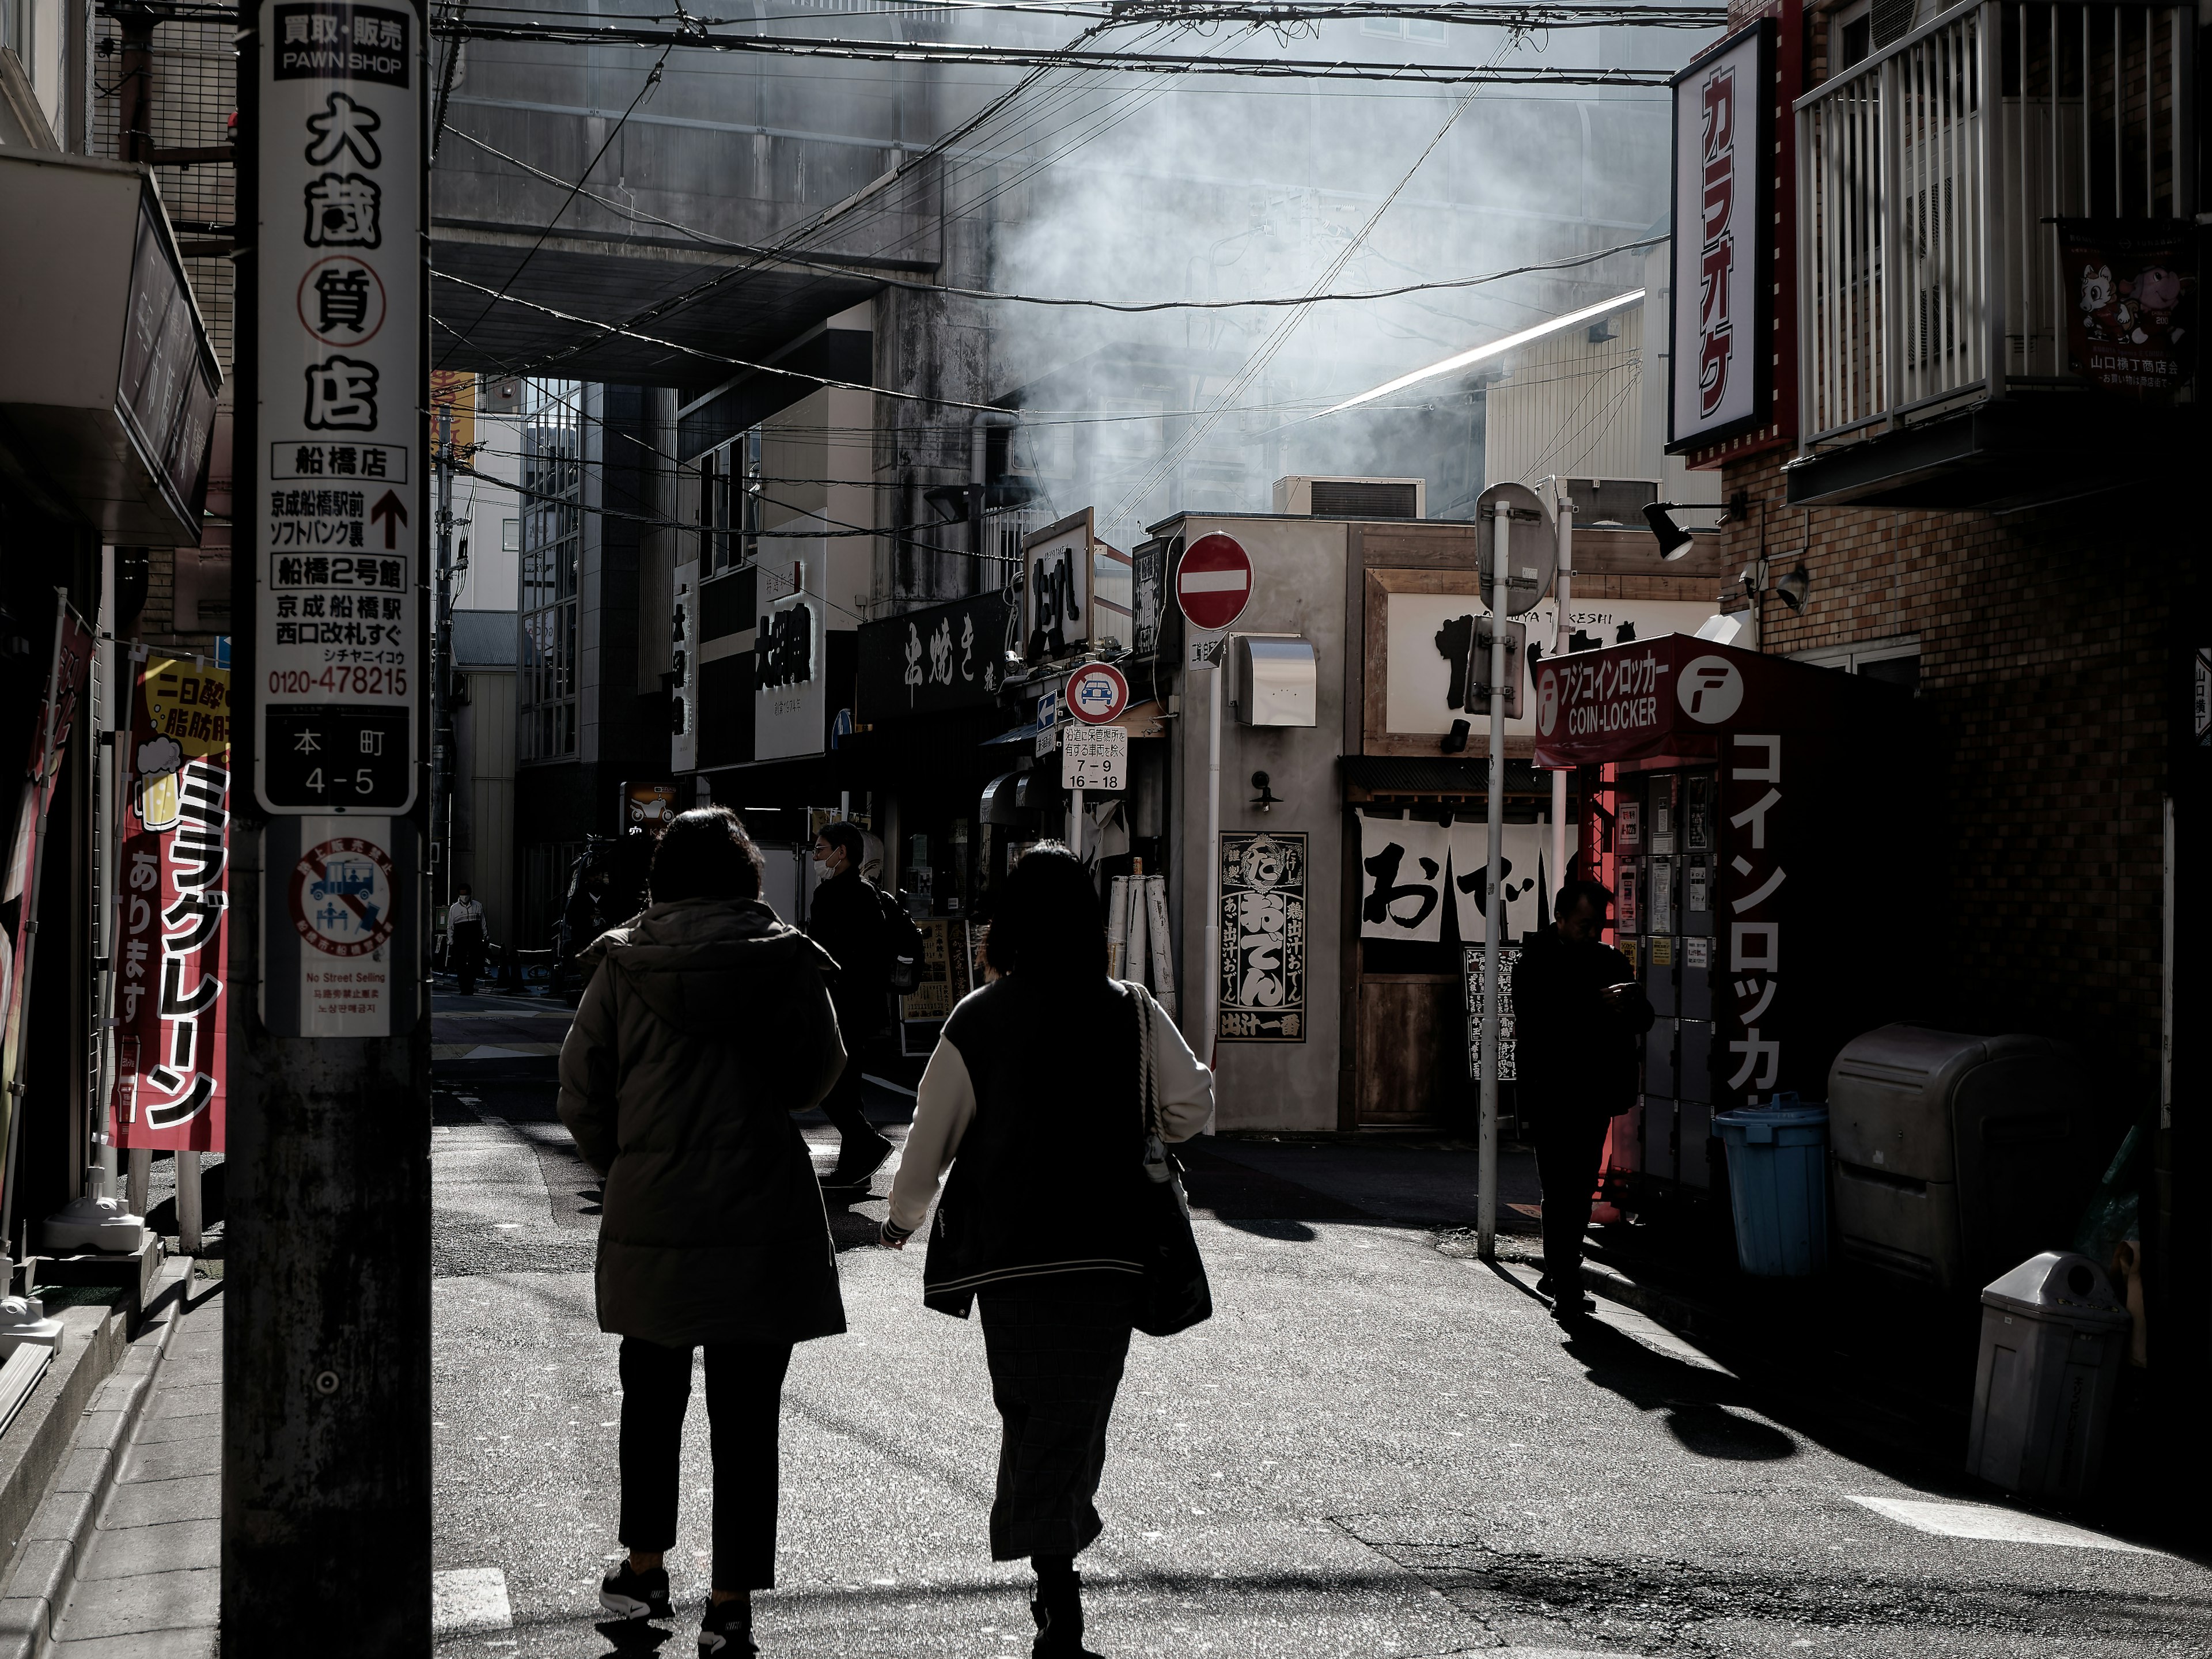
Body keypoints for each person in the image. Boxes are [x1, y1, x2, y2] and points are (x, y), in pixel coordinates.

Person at [880, 844, 1213, 1659]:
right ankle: (1057, 1570)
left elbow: (935, 1132)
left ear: (1010, 923)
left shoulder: (979, 1018)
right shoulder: (1131, 1008)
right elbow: (1190, 1104)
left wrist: (904, 1216)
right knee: (1076, 1411)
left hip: (1012, 1256)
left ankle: (1054, 1577)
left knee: (1031, 1406)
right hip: (1110, 1249)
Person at [558, 807, 849, 1657]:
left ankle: (645, 1570)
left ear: (663, 879)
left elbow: (581, 1093)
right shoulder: (788, 962)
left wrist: (633, 1162)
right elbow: (817, 1075)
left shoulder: (621, 965)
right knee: (748, 1419)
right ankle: (729, 1607)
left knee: (651, 1401)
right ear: (747, 876)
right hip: (763, 1213)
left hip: (654, 1215)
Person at [1510, 877, 1653, 1319]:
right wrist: (1597, 1006)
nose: (1592, 934)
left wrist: (1627, 1005)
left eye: (1598, 926)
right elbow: (1536, 1020)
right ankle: (1567, 1285)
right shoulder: (1535, 962)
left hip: (1594, 1091)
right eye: (1583, 925)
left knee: (1578, 1188)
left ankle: (1560, 1272)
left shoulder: (1609, 959)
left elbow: (1645, 1018)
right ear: (1560, 918)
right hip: (1551, 1090)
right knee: (1561, 1189)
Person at [804, 820, 896, 1186]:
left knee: (822, 1081)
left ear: (842, 853)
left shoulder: (829, 896)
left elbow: (823, 954)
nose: (816, 857)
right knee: (847, 1081)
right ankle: (857, 1163)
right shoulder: (867, 893)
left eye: (821, 850)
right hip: (863, 1003)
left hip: (838, 1003)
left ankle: (866, 1144)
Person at [445, 884, 487, 995]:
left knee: (474, 965)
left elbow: (483, 923)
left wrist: (486, 937)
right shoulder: (454, 909)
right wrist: (451, 942)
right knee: (461, 966)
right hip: (460, 940)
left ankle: (470, 987)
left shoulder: (478, 906)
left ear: (470, 894)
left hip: (475, 939)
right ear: (459, 894)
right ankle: (464, 988)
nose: (464, 896)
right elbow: (450, 926)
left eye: (466, 894)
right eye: (462, 894)